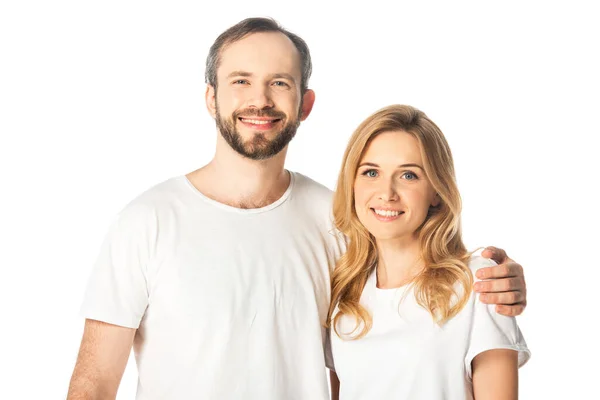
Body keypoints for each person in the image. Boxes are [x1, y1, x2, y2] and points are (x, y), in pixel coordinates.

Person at [67, 18, 528, 400]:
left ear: (305, 103)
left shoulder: (342, 220)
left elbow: (411, 289)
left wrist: (495, 276)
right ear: (212, 98)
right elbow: (94, 385)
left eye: (280, 83)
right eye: (240, 81)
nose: (260, 99)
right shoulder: (147, 222)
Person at [326, 105, 530, 400]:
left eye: (408, 176)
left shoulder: (477, 284)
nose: (387, 193)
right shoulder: (345, 295)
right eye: (371, 172)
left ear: (436, 190)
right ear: (352, 183)